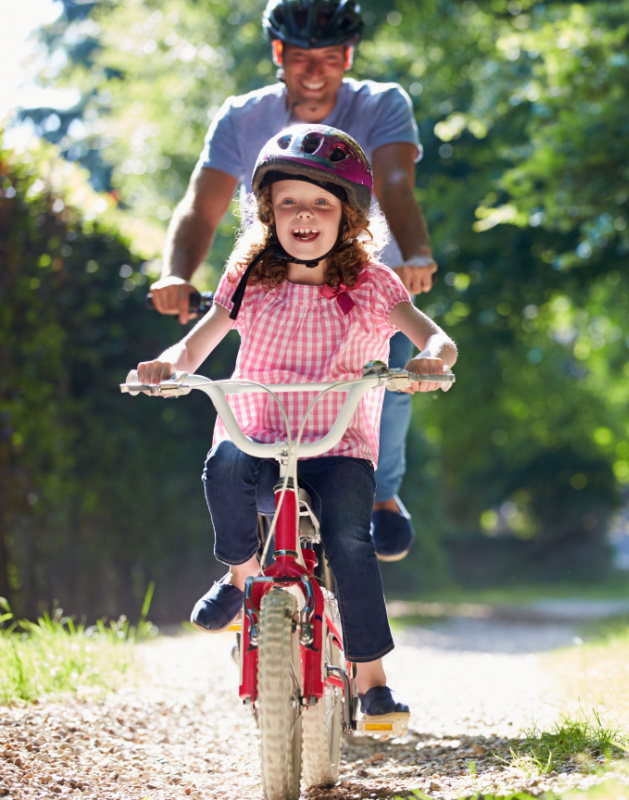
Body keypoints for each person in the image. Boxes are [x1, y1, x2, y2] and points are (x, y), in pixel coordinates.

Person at [134, 124, 457, 721]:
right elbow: (196, 344)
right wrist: (167, 366)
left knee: (350, 542)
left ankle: (372, 680)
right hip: (257, 436)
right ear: (268, 211)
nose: (302, 215)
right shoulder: (249, 278)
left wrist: (432, 359)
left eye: (320, 203)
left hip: (338, 446)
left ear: (349, 216)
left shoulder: (371, 283)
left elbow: (433, 335)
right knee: (222, 463)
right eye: (288, 203)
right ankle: (241, 579)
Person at [148, 0, 430, 561]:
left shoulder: (381, 103)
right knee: (251, 379)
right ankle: (242, 559)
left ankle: (381, 496)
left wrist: (416, 254)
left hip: (360, 281)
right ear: (279, 54)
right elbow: (201, 209)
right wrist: (176, 274)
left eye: (330, 57)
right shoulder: (241, 116)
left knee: (388, 376)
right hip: (274, 281)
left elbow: (396, 183)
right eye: (301, 57)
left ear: (348, 56)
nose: (316, 72)